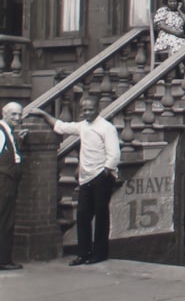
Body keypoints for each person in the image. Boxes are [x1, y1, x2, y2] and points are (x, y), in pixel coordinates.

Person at [30, 99, 121, 265]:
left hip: (101, 177)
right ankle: (83, 253)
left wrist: (105, 172)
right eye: (84, 110)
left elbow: (114, 154)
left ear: (97, 109)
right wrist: (43, 114)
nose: (87, 113)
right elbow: (62, 126)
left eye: (90, 109)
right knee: (82, 215)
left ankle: (100, 253)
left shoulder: (107, 128)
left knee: (101, 216)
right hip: (86, 178)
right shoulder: (82, 126)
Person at [0, 102, 25, 270]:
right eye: (13, 114)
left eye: (19, 114)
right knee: (5, 220)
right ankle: (3, 260)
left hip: (8, 181)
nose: (17, 118)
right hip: (4, 181)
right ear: (4, 114)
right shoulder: (1, 133)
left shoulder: (8, 133)